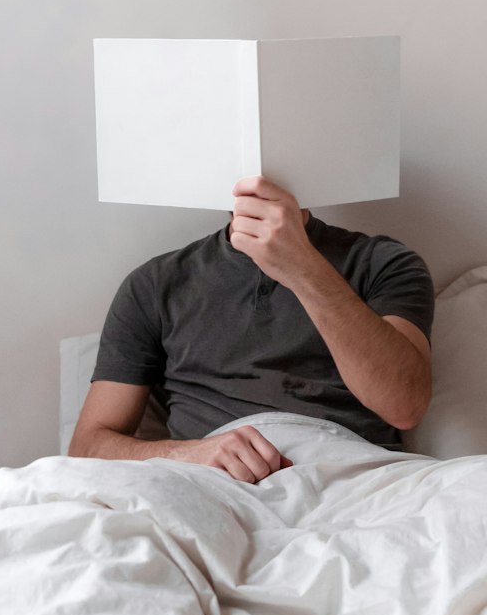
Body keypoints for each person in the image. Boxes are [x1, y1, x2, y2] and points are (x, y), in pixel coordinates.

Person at [69, 175, 434, 484]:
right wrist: (190, 455)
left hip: (352, 478)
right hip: (210, 485)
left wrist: (303, 266)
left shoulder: (383, 262)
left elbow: (404, 406)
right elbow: (87, 449)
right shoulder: (154, 283)